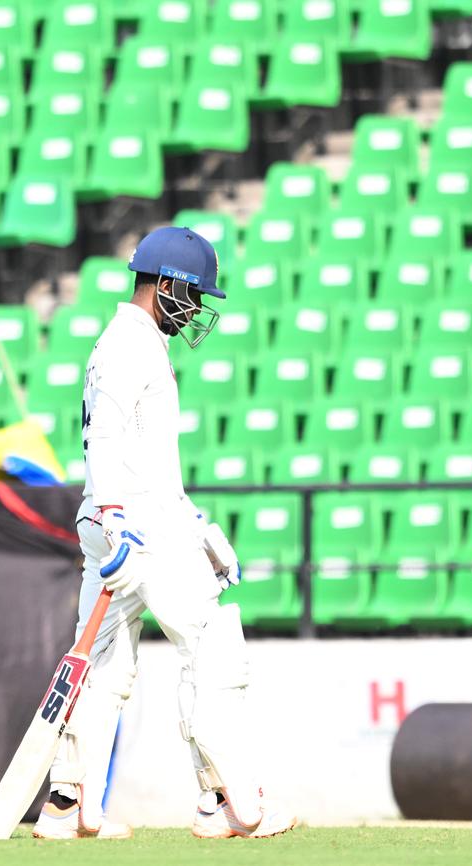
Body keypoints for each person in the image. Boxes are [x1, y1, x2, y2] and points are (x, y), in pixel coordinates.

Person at [31, 226, 297, 840]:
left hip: (116, 522)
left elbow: (143, 457)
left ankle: (69, 808)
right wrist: (125, 517)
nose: (199, 308)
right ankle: (229, 805)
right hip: (136, 526)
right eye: (194, 294)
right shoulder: (132, 348)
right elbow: (106, 438)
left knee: (102, 663)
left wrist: (194, 524)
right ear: (168, 285)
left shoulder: (125, 342)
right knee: (211, 645)